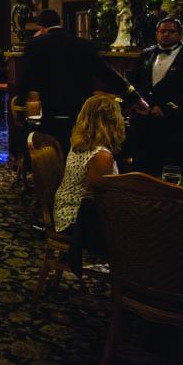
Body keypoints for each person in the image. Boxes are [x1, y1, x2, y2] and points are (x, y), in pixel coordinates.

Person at [18, 9, 147, 154]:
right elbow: (108, 74)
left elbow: (25, 80)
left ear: (41, 28)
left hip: (51, 114)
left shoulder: (35, 45)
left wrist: (20, 110)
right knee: (78, 151)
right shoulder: (84, 44)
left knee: (54, 154)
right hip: (80, 115)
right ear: (60, 23)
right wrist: (135, 97)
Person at [53, 94, 124, 275]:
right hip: (77, 221)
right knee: (145, 228)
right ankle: (131, 281)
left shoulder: (80, 143)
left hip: (65, 210)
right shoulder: (101, 156)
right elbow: (99, 199)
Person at [128, 17, 183, 177]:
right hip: (144, 124)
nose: (166, 34)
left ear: (180, 35)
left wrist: (167, 109)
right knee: (141, 172)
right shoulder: (146, 54)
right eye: (162, 31)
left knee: (169, 173)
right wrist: (135, 104)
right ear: (157, 34)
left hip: (174, 127)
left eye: (171, 31)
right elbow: (134, 83)